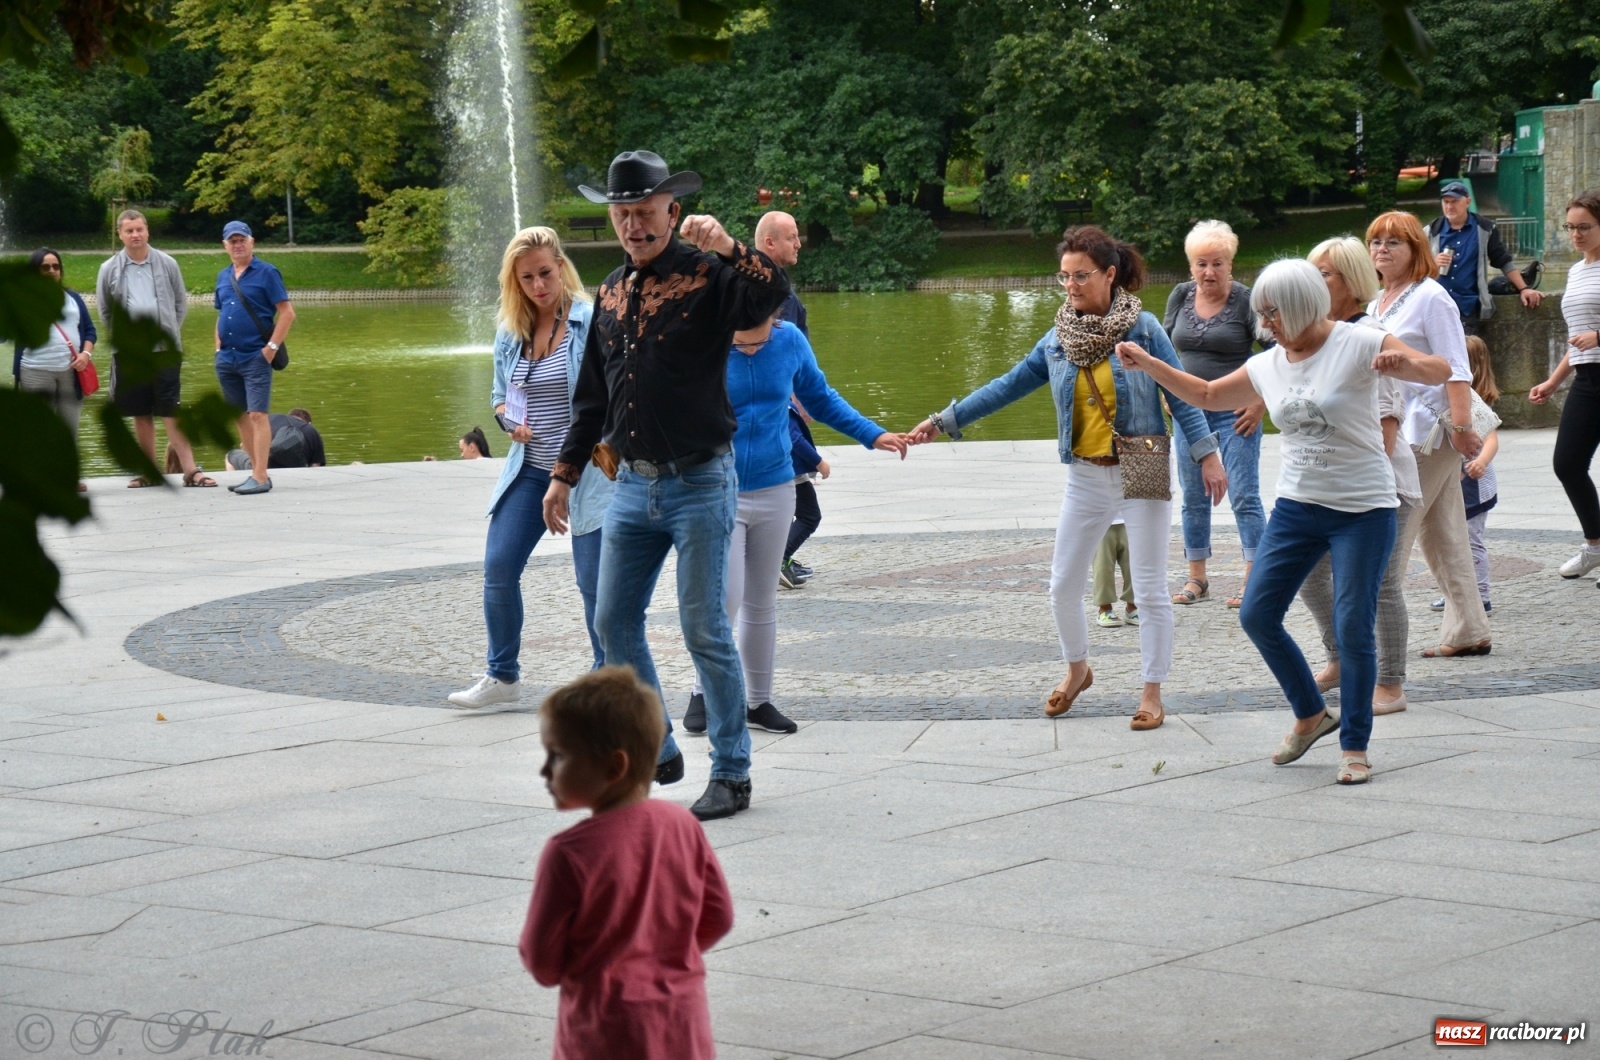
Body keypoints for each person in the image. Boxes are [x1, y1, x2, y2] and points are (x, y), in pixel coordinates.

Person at [1117, 258, 1451, 785]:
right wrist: (1149, 364)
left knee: (1352, 624)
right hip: (1297, 508)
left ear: (1300, 307)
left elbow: (1439, 370)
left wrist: (1402, 364)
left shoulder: (1360, 342)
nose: (1265, 325)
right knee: (1257, 612)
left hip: (1363, 508)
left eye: (1273, 314)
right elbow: (1206, 396)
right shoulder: (1268, 364)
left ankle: (1355, 745)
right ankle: (1310, 710)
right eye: (1261, 314)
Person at [542, 150, 792, 821]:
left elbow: (772, 294)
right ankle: (657, 748)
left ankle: (733, 772)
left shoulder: (710, 277)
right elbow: (592, 397)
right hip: (630, 486)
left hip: (702, 482)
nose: (633, 226)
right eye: (623, 215)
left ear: (671, 212)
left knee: (704, 627)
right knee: (612, 624)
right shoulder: (612, 292)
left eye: (645, 213)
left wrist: (733, 245)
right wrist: (563, 476)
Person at [909, 225, 1225, 731]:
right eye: (1064, 277)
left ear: (1109, 274)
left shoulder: (1142, 329)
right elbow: (1006, 386)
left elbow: (1182, 393)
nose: (1071, 286)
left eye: (1081, 276)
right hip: (1085, 475)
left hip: (1140, 467)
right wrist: (945, 420)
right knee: (1061, 585)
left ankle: (1151, 691)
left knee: (1148, 590)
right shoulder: (1059, 338)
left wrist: (1207, 454)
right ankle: (1078, 669)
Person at [681, 312, 906, 737]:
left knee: (761, 600)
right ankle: (702, 692)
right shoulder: (700, 340)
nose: (755, 347)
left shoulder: (788, 340)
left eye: (763, 334)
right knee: (724, 598)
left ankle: (758, 702)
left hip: (775, 486)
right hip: (716, 488)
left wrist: (872, 434)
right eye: (745, 342)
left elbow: (820, 398)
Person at [519, 667, 733, 1060]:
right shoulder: (682, 824)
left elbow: (542, 960)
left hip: (604, 1028)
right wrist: (665, 960)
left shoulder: (567, 853)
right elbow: (717, 916)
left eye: (558, 755)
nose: (545, 770)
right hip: (681, 1019)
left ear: (614, 767)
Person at [449, 227, 611, 708]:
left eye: (545, 272)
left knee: (593, 584)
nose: (539, 284)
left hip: (588, 472)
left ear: (560, 267)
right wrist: (506, 421)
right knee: (498, 567)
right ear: (514, 282)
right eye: (527, 278)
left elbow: (608, 398)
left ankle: (607, 679)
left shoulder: (592, 321)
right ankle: (503, 677)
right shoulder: (511, 331)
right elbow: (501, 397)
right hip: (530, 469)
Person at [1299, 236, 1418, 715]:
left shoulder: (1369, 335)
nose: (1313, 284)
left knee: (1380, 585)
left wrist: (1369, 487)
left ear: (1350, 281)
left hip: (1382, 485)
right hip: (1331, 483)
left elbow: (1387, 422)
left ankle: (1390, 684)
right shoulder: (1319, 338)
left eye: (1323, 275)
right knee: (1310, 573)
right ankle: (1340, 657)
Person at [1367, 211, 1492, 659]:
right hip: (1399, 427)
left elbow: (1457, 367)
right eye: (1376, 241)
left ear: (1415, 248)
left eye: (1394, 242)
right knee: (1442, 532)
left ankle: (1378, 640)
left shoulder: (1431, 297)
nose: (1382, 249)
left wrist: (1462, 429)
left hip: (1430, 431)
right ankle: (1469, 628)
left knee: (1396, 531)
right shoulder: (1376, 302)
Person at [1162, 220, 1266, 608]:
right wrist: (1166, 389)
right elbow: (1162, 348)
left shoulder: (1246, 301)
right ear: (1191, 266)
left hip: (1236, 410)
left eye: (1217, 264)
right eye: (1201, 264)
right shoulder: (1180, 296)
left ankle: (1254, 578)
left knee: (1244, 493)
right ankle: (1197, 578)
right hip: (1189, 412)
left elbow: (1278, 352)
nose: (1209, 272)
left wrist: (1260, 401)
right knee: (1193, 495)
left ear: (1231, 264)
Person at [96, 211, 212, 488]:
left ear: (147, 231)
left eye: (139, 229)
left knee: (171, 409)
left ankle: (190, 470)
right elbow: (104, 311)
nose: (135, 235)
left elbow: (180, 305)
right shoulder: (108, 269)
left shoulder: (167, 264)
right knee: (140, 412)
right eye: (129, 231)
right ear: (120, 234)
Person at [1530, 188, 1600, 582]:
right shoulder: (1576, 270)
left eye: (1584, 227)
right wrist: (1553, 381)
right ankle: (1595, 546)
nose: (1575, 234)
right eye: (1570, 227)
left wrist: (1599, 337)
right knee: (1568, 464)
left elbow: (1591, 336)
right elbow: (1577, 338)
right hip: (1588, 379)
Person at [214, 221, 295, 495]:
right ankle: (254, 472)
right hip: (227, 359)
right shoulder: (223, 276)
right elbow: (221, 313)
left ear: (252, 242)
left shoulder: (267, 272)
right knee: (239, 416)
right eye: (232, 241)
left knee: (258, 414)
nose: (237, 245)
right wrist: (217, 348)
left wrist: (271, 348)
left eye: (242, 240)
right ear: (225, 246)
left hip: (255, 357)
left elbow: (287, 313)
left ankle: (261, 476)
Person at [14, 249, 95, 491]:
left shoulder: (73, 298)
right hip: (35, 369)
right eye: (45, 267)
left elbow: (90, 331)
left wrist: (85, 354)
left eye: (55, 266)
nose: (51, 271)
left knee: (68, 425)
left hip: (71, 371)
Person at [1427, 180, 1543, 336]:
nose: (1449, 206)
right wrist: (1432, 263)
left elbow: (1503, 260)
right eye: (1446, 202)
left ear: (1468, 201)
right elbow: (1413, 266)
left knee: (1467, 355)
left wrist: (1524, 289)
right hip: (1436, 305)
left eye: (1455, 201)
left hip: (1467, 308)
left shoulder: (1484, 228)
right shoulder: (1430, 230)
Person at [780, 399, 824, 589]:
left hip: (779, 472)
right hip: (791, 473)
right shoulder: (787, 407)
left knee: (782, 518)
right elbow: (795, 438)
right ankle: (779, 560)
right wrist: (819, 462)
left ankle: (779, 561)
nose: (810, 417)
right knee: (810, 516)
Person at [224, 408, 326, 470]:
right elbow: (315, 468)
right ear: (308, 423)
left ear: (290, 415)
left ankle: (243, 482)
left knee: (230, 456)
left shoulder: (270, 419)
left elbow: (245, 447)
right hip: (296, 470)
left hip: (262, 468)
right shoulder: (312, 431)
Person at [1092, 520, 1138, 627]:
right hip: (1101, 519)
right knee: (1103, 565)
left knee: (1134, 564)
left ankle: (1133, 606)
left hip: (1130, 516)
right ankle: (1105, 608)